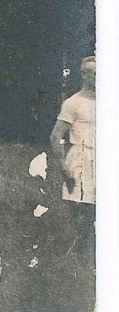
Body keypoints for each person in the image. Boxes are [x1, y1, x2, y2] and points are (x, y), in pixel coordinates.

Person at [49, 55, 95, 248]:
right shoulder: (73, 103)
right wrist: (62, 166)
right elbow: (56, 136)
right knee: (78, 207)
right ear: (84, 75)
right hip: (80, 157)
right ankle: (77, 252)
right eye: (93, 73)